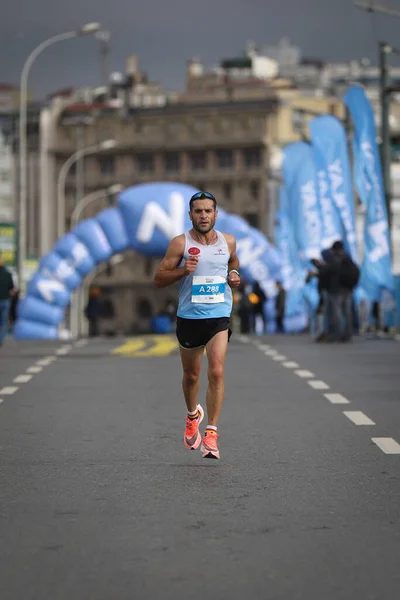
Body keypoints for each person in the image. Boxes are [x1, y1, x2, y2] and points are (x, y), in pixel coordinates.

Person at [154, 191, 241, 459]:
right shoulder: (180, 244)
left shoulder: (228, 241)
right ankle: (193, 415)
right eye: (198, 211)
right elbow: (158, 278)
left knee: (216, 371)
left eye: (208, 211)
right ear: (190, 215)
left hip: (219, 314)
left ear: (216, 214)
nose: (203, 215)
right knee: (191, 376)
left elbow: (233, 262)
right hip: (190, 317)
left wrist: (235, 274)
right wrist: (183, 271)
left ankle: (212, 434)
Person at [0, 254, 15, 346]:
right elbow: (12, 289)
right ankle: (0, 340)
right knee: (3, 322)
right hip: (5, 301)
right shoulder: (8, 274)